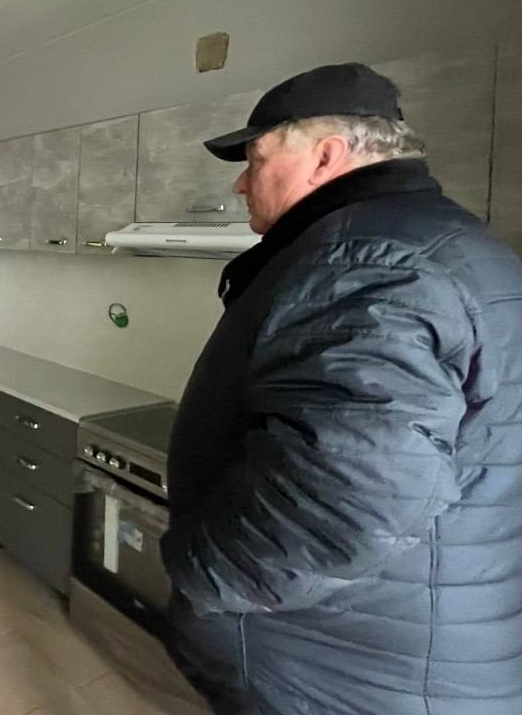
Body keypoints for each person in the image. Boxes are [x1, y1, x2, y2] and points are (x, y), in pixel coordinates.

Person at [161, 63, 522, 714]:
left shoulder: (364, 260)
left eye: (255, 160)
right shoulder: (453, 242)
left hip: (338, 665)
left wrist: (199, 577)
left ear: (326, 155)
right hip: (406, 637)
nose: (240, 183)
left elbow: (353, 489)